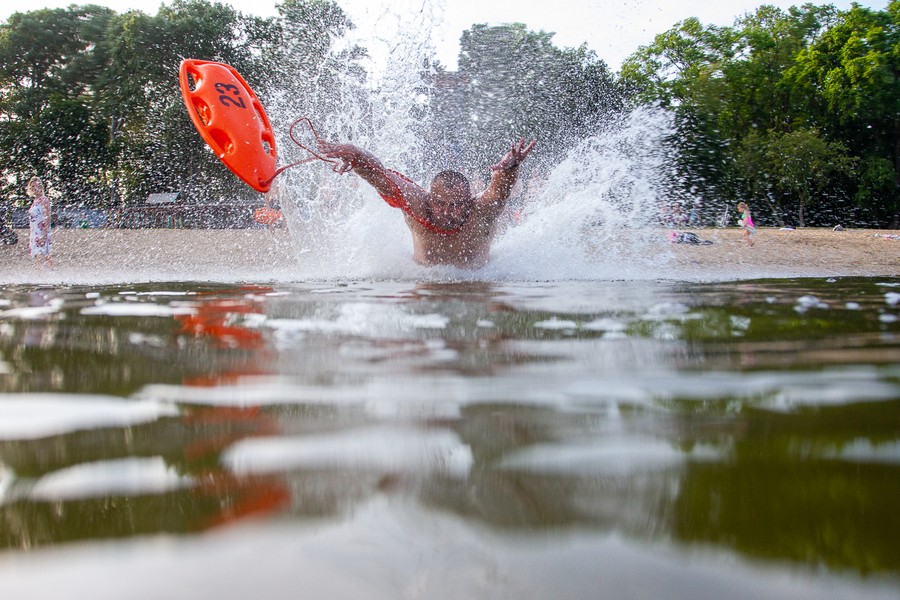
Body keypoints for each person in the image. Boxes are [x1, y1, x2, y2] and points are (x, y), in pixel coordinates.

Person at [317, 138, 536, 269]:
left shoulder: (480, 211)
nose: (447, 211)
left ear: (469, 202)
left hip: (479, 281)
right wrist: (357, 156)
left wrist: (510, 168)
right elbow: (380, 176)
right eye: (440, 203)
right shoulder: (416, 204)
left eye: (456, 205)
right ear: (429, 198)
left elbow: (498, 191)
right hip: (424, 282)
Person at [26, 176, 52, 267]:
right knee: (38, 257)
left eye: (36, 186)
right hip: (35, 232)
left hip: (41, 231)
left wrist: (44, 234)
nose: (34, 188)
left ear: (40, 187)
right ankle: (41, 273)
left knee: (44, 255)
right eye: (32, 186)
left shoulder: (44, 199)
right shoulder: (35, 201)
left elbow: (47, 217)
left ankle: (50, 273)